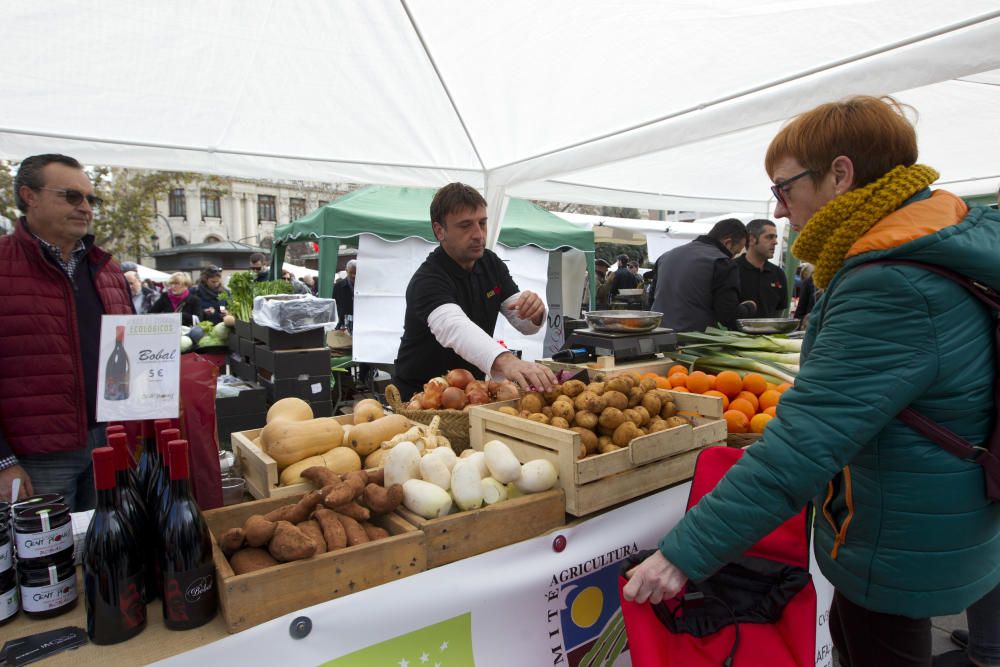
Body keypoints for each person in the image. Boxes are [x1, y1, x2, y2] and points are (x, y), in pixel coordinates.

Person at [623, 96, 1000, 666]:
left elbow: (800, 446)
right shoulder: (934, 241)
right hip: (931, 507)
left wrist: (684, 553)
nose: (777, 212)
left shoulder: (890, 285)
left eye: (783, 188)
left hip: (897, 532)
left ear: (840, 175)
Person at [0, 154, 133, 510]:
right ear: (29, 196)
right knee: (49, 561)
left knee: (111, 549)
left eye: (92, 199)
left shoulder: (108, 271)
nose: (85, 207)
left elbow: (133, 352)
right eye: (72, 196)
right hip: (38, 458)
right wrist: (3, 462)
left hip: (110, 443)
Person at [393, 182, 557, 399]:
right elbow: (454, 328)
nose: (479, 234)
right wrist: (507, 361)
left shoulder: (491, 263)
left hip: (472, 394)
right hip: (421, 397)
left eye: (482, 223)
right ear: (440, 231)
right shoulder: (427, 280)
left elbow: (524, 323)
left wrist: (535, 312)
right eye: (465, 225)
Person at [650, 218, 755, 331]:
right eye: (735, 252)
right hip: (693, 342)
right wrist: (749, 307)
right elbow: (728, 316)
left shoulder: (665, 257)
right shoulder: (722, 262)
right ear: (727, 243)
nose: (733, 257)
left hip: (659, 336)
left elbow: (651, 301)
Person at [737, 218, 788, 318]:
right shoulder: (732, 270)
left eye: (775, 237)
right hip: (734, 333)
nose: (775, 242)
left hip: (769, 333)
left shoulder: (778, 274)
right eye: (769, 237)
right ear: (751, 239)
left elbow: (779, 311)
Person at [333, 259, 357, 331]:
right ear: (346, 270)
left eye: (356, 273)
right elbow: (334, 305)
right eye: (351, 272)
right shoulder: (338, 286)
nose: (354, 275)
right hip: (344, 324)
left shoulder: (365, 286)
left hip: (361, 323)